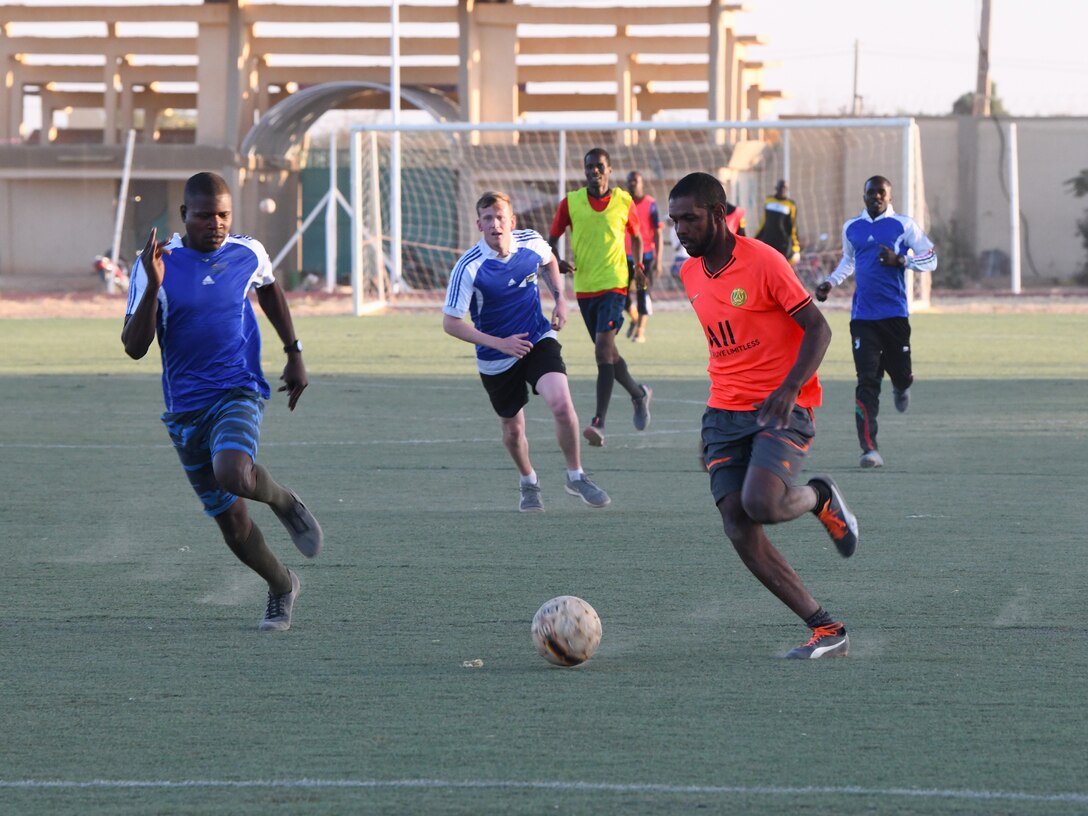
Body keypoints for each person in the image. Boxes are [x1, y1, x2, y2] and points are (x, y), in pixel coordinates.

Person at [121, 171, 323, 633]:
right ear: (183, 216)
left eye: (224, 215)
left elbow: (269, 287)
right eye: (206, 215)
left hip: (238, 388)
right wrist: (153, 284)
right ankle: (281, 586)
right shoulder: (156, 263)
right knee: (232, 522)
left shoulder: (247, 251)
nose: (216, 224)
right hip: (184, 409)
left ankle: (283, 501)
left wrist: (294, 353)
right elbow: (134, 347)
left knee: (233, 472)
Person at [669, 171, 859, 659]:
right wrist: (712, 427)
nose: (680, 230)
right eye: (674, 221)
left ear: (719, 213)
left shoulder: (764, 262)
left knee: (763, 505)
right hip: (723, 414)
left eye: (689, 219)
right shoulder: (690, 273)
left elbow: (818, 330)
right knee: (736, 523)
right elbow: (724, 347)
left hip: (782, 406)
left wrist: (791, 387)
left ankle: (820, 495)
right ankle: (825, 628)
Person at [443, 191, 610, 512]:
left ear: (512, 221)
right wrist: (499, 343)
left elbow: (549, 261)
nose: (495, 224)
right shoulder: (468, 267)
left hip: (537, 339)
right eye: (488, 218)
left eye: (500, 217)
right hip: (495, 356)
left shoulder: (531, 242)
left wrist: (560, 298)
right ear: (479, 224)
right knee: (513, 428)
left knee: (562, 404)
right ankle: (528, 481)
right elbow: (451, 323)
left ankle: (575, 475)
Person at [815, 175, 938, 469]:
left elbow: (931, 258)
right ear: (864, 196)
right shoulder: (852, 227)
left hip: (894, 315)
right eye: (871, 193)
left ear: (890, 197)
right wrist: (830, 283)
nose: (876, 197)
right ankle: (869, 449)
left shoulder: (903, 225)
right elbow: (850, 260)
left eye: (882, 193)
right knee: (867, 381)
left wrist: (903, 261)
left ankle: (902, 384)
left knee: (901, 374)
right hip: (862, 317)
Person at [548, 147, 652, 447]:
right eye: (589, 166)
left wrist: (639, 267)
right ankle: (638, 394)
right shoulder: (571, 202)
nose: (594, 171)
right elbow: (552, 237)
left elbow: (636, 235)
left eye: (600, 166)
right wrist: (558, 260)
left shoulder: (623, 201)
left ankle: (599, 423)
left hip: (615, 284)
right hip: (585, 287)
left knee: (602, 350)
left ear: (609, 170)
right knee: (607, 353)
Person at [623, 170, 664, 344]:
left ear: (641, 183)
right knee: (620, 294)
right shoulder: (622, 203)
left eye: (636, 181)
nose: (633, 183)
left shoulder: (650, 204)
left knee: (642, 292)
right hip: (623, 257)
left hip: (645, 258)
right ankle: (634, 318)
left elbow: (658, 232)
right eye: (630, 181)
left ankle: (640, 331)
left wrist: (659, 260)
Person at [754, 179, 800, 266]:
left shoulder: (790, 204)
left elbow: (793, 226)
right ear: (776, 188)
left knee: (781, 267)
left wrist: (796, 247)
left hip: (782, 243)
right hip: (768, 240)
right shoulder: (769, 200)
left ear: (787, 190)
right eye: (780, 187)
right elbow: (763, 222)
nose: (782, 189)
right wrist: (755, 238)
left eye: (784, 188)